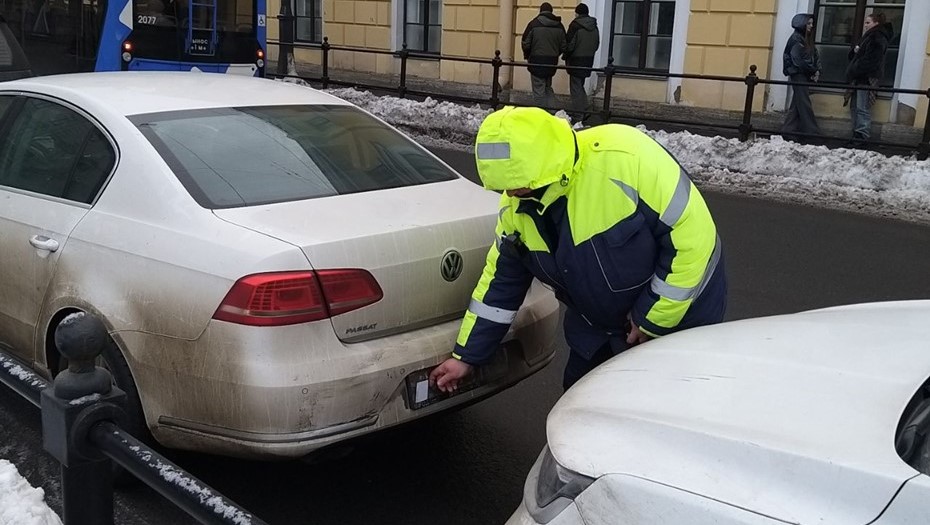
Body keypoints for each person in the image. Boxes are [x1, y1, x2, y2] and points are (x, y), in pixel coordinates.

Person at [429, 107, 727, 393]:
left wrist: (652, 319)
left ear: (546, 164)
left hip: (678, 326)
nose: (510, 194)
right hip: (597, 330)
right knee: (581, 412)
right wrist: (466, 356)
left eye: (519, 185)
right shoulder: (517, 207)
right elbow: (500, 285)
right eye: (505, 187)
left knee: (657, 425)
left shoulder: (627, 158)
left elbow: (693, 241)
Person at [845, 12, 892, 144]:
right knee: (855, 106)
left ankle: (862, 135)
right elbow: (859, 56)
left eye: (868, 23)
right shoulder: (870, 36)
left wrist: (856, 68)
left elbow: (871, 60)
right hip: (860, 76)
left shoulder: (877, 37)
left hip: (866, 77)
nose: (865, 26)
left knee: (862, 107)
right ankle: (857, 134)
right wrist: (855, 53)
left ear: (876, 23)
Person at [781, 13, 822, 140]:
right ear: (802, 24)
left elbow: (812, 55)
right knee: (804, 103)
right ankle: (812, 133)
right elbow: (799, 60)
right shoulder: (796, 39)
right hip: (798, 74)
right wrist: (814, 70)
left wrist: (815, 69)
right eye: (808, 23)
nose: (811, 26)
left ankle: (789, 130)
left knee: (797, 102)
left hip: (801, 73)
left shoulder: (803, 38)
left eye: (811, 23)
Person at [521, 3, 566, 109]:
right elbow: (564, 46)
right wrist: (556, 53)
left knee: (538, 90)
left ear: (540, 11)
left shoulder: (533, 24)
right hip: (552, 62)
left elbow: (525, 43)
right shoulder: (559, 25)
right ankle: (552, 112)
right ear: (551, 12)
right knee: (547, 87)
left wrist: (528, 55)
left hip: (536, 61)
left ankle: (541, 114)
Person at [563, 3, 599, 123]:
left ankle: (578, 115)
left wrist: (565, 56)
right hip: (588, 60)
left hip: (576, 60)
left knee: (576, 88)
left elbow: (570, 45)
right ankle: (586, 110)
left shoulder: (575, 25)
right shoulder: (594, 26)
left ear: (577, 13)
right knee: (580, 85)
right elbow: (596, 44)